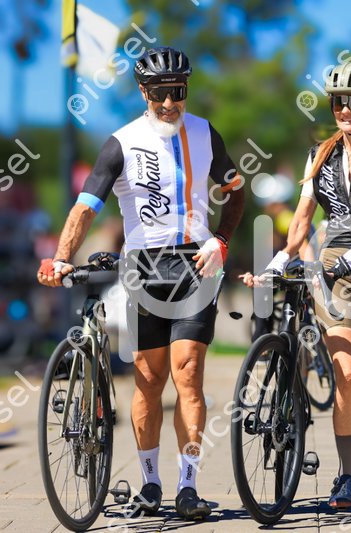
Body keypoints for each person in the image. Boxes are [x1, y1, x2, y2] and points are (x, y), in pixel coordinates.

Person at [37, 46, 245, 520]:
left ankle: (188, 486)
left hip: (195, 265)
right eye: (158, 93)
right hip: (143, 269)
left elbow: (235, 193)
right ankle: (150, 482)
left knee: (187, 372)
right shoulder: (121, 142)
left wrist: (221, 240)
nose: (169, 102)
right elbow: (86, 206)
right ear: (142, 91)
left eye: (177, 91)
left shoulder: (205, 133)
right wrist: (61, 258)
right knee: (149, 381)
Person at [241, 61, 351, 514]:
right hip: (333, 266)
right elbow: (301, 218)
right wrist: (282, 257)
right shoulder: (319, 155)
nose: (345, 110)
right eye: (337, 102)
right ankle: (346, 473)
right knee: (348, 374)